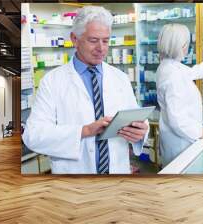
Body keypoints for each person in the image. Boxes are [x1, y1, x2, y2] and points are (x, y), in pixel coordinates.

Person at [23, 6, 149, 174]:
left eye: (105, 40)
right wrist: (85, 131)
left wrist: (141, 131)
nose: (101, 48)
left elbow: (134, 117)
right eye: (93, 40)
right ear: (75, 39)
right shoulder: (52, 81)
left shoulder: (120, 77)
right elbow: (33, 135)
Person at [156, 23, 203, 167]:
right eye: (185, 44)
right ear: (177, 46)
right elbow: (177, 119)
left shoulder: (170, 66)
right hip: (180, 143)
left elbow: (194, 72)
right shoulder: (172, 74)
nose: (187, 47)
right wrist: (200, 132)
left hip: (178, 140)